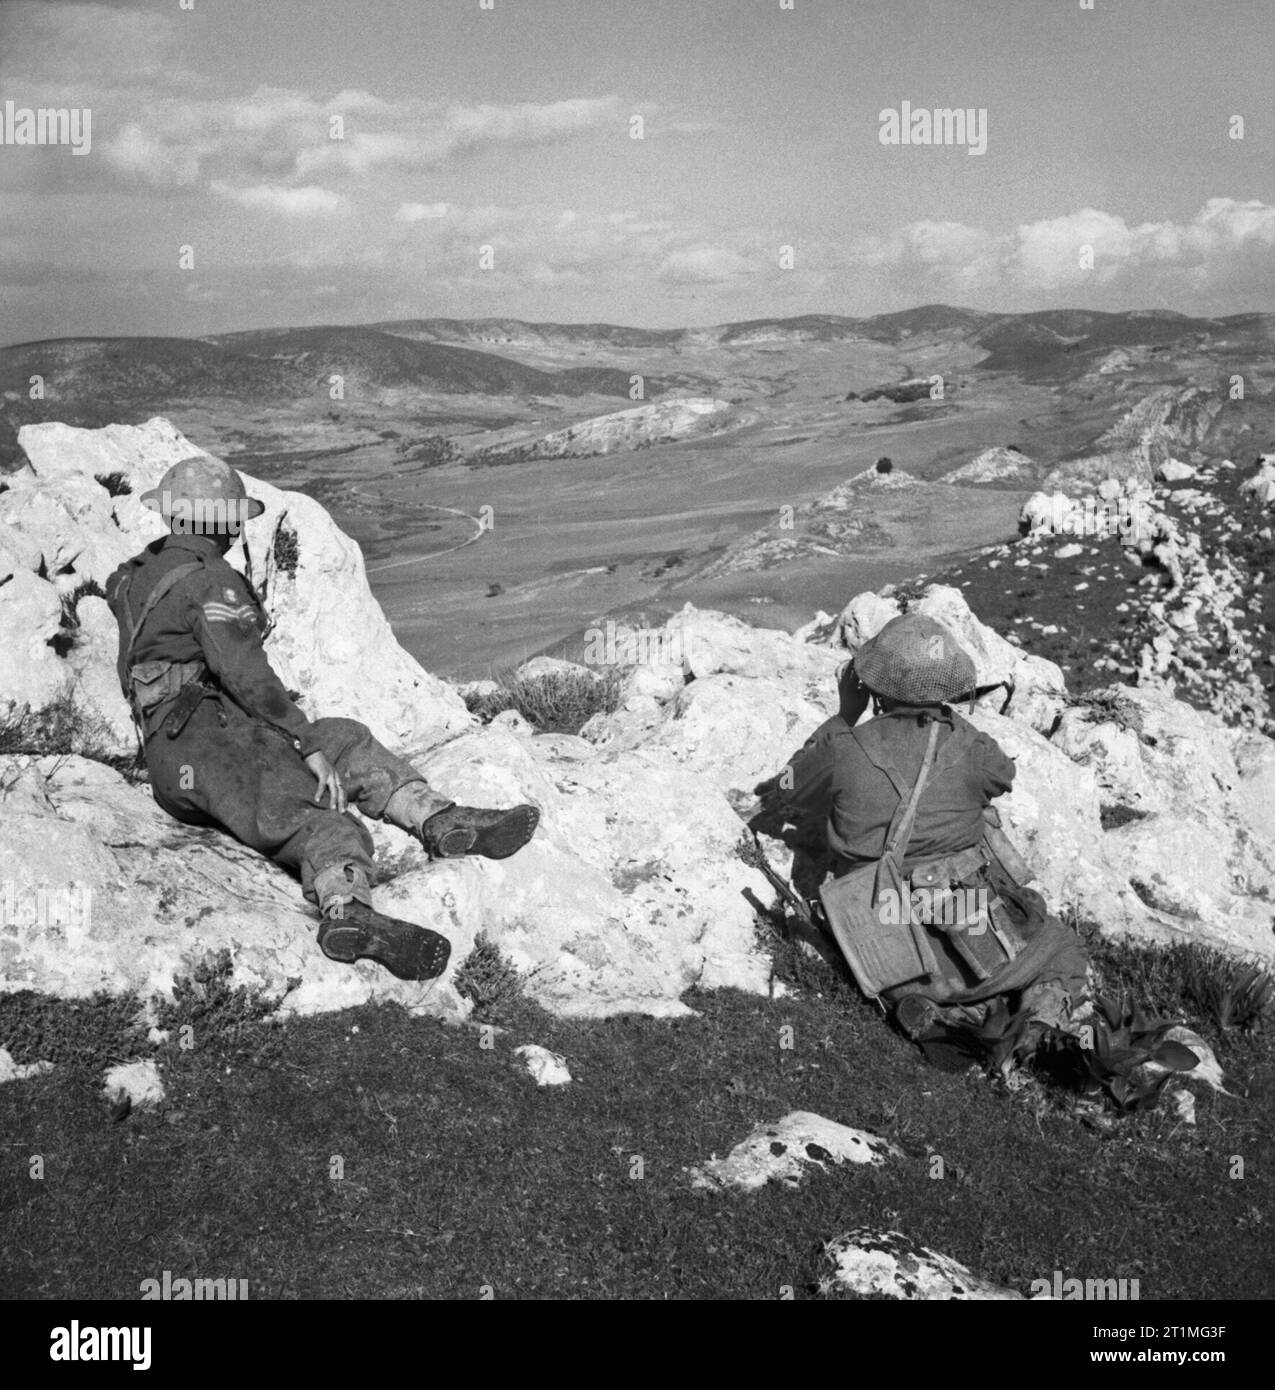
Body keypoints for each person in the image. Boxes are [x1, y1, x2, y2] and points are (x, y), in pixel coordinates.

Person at [106, 455, 539, 982]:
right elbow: (247, 676)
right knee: (321, 810)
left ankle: (440, 819)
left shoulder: (133, 575)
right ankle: (348, 913)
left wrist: (314, 739)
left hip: (194, 741)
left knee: (344, 738)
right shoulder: (211, 583)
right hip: (203, 747)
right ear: (224, 523)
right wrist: (303, 746)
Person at [752, 611, 1088, 1046]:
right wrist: (950, 726)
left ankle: (934, 1007)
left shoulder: (843, 749)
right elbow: (1002, 774)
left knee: (922, 967)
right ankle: (1032, 1029)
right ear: (949, 688)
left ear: (870, 684)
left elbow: (786, 788)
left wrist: (843, 717)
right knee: (1062, 947)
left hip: (885, 958)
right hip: (979, 948)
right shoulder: (968, 746)